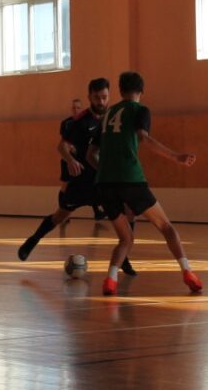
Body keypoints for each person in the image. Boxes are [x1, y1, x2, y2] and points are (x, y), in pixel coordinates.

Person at [89, 71, 202, 296]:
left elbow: (90, 154)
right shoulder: (140, 110)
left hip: (104, 184)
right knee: (166, 227)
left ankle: (110, 280)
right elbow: (144, 138)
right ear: (142, 90)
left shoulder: (107, 114)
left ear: (120, 91)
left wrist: (105, 170)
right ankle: (188, 272)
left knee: (125, 239)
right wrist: (176, 156)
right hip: (131, 180)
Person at [17, 78, 136, 275]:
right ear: (89, 97)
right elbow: (61, 146)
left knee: (127, 211)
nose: (101, 101)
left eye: (104, 97)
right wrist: (70, 160)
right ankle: (33, 240)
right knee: (60, 216)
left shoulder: (114, 118)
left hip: (104, 181)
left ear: (109, 96)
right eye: (96, 97)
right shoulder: (79, 121)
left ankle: (124, 258)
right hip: (82, 180)